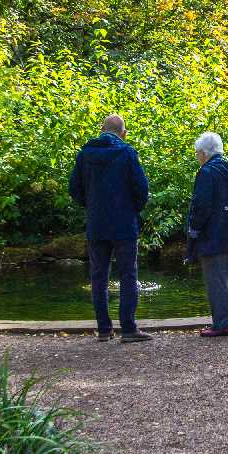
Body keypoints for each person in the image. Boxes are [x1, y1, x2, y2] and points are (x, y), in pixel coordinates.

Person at [69, 114, 153, 342]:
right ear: (123, 133)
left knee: (98, 277)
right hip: (124, 223)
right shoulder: (127, 153)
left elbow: (74, 189)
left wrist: (92, 205)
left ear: (101, 129)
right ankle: (128, 328)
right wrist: (132, 209)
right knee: (128, 275)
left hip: (97, 224)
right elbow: (142, 190)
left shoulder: (85, 155)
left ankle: (104, 329)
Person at [185, 131, 228, 338]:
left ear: (204, 153)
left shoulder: (207, 172)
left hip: (213, 235)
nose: (197, 157)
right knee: (226, 280)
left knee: (216, 281)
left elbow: (201, 205)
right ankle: (227, 321)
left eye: (197, 154)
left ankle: (222, 324)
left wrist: (194, 229)